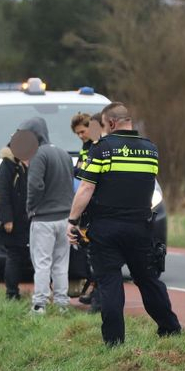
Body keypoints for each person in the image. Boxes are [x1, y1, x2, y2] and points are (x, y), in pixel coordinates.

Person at [67, 102, 181, 345]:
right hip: (140, 228)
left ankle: (114, 342)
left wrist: (73, 220)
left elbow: (87, 187)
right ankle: (170, 329)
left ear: (110, 123)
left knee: (110, 282)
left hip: (106, 228)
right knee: (148, 280)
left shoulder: (102, 149)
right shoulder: (151, 150)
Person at [21, 117, 75, 315]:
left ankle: (39, 305)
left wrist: (30, 208)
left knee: (42, 263)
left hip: (43, 218)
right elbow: (71, 182)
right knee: (61, 263)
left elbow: (35, 185)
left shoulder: (37, 155)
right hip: (65, 217)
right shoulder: (63, 153)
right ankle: (62, 304)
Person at [70, 112, 105, 311]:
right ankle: (94, 291)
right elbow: (79, 170)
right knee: (90, 252)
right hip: (89, 206)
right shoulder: (86, 146)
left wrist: (82, 171)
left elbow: (85, 172)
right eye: (78, 134)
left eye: (82, 131)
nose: (81, 136)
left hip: (99, 205)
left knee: (99, 254)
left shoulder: (98, 146)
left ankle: (98, 297)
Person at [0, 137, 31, 300]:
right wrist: (7, 218)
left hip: (26, 218)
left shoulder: (23, 164)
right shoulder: (8, 165)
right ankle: (11, 292)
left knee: (23, 254)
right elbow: (2, 192)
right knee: (14, 255)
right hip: (14, 219)